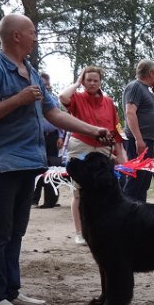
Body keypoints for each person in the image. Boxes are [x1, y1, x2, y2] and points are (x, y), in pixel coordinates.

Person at [0, 14, 113, 305]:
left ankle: (11, 290)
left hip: (27, 162)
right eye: (32, 32)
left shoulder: (30, 71)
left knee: (16, 231)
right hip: (3, 162)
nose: (36, 37)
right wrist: (17, 100)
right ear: (17, 36)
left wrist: (91, 129)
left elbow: (52, 112)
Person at [59, 65, 126, 244]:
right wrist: (77, 82)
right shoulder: (77, 98)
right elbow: (62, 97)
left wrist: (121, 154)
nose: (92, 83)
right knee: (79, 192)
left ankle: (104, 228)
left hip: (104, 149)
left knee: (105, 190)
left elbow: (118, 129)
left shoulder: (109, 102)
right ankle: (80, 232)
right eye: (88, 80)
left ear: (101, 82)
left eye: (96, 80)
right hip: (80, 147)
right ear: (83, 81)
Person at [122, 59, 154, 202]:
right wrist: (139, 139)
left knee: (144, 180)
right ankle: (127, 217)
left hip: (147, 140)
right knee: (135, 179)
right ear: (151, 73)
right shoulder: (135, 87)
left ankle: (140, 213)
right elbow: (130, 113)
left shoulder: (146, 90)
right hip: (137, 140)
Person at [31, 72, 64, 209]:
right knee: (37, 167)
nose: (43, 87)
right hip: (37, 137)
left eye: (45, 85)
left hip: (53, 137)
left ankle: (51, 199)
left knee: (53, 168)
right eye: (40, 85)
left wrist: (61, 136)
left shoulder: (53, 100)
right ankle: (33, 199)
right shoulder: (30, 100)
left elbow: (60, 118)